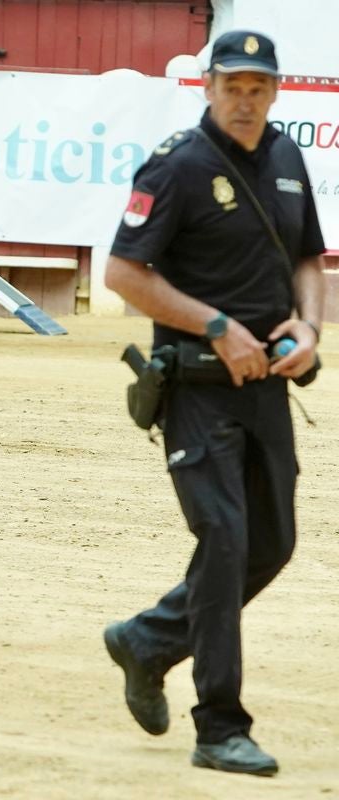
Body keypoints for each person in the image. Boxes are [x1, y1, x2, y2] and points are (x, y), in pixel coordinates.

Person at [102, 30, 325, 778]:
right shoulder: (177, 166)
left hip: (269, 389)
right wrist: (219, 326)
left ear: (275, 92)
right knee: (226, 541)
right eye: (232, 85)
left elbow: (308, 260)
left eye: (258, 87)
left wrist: (309, 325)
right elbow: (124, 274)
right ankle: (220, 725)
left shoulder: (289, 160)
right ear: (207, 88)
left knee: (273, 545)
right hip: (196, 388)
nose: (245, 99)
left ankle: (150, 640)